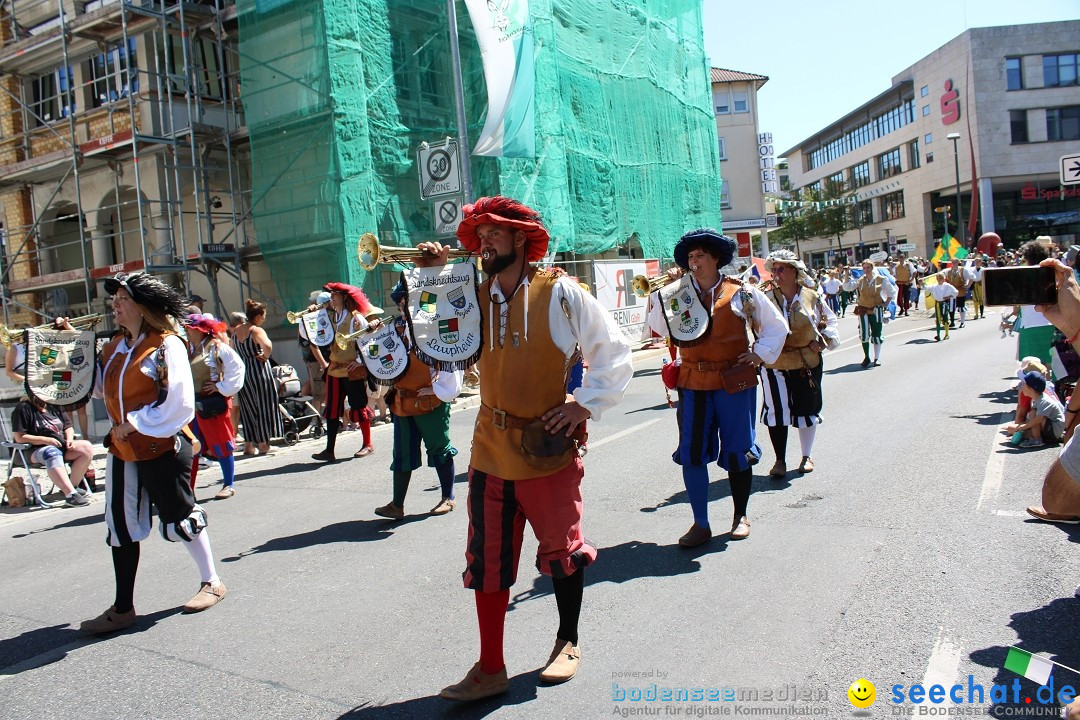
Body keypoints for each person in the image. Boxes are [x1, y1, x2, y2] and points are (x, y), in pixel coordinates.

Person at [418, 196, 632, 701]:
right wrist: (431, 281)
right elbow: (435, 343)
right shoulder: (470, 293)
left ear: (520, 239)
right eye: (479, 233)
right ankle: (490, 667)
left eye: (493, 232)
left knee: (562, 553)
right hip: (489, 450)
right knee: (487, 560)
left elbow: (614, 349)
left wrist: (583, 405)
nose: (483, 240)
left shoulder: (559, 292)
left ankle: (567, 640)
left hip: (546, 447)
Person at [80, 272, 226, 635]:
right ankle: (123, 607)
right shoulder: (114, 346)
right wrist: (71, 355)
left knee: (180, 515)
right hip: (122, 448)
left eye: (123, 299)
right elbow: (98, 390)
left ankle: (212, 580)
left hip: (161, 442)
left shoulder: (166, 345)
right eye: (114, 299)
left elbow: (177, 404)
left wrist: (133, 422)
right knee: (120, 526)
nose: (115, 304)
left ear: (144, 307)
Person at [647, 230, 788, 548]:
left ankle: (740, 516)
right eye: (690, 258)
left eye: (700, 257)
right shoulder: (676, 293)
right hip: (692, 383)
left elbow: (777, 327)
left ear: (716, 260)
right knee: (692, 454)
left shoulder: (742, 292)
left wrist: (758, 353)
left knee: (739, 450)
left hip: (734, 380)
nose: (694, 263)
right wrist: (667, 291)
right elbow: (657, 326)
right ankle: (700, 523)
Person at [373, 281, 462, 519]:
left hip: (430, 402)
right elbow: (378, 356)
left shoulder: (435, 327)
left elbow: (451, 359)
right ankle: (397, 505)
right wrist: (373, 332)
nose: (402, 307)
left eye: (406, 301)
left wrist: (438, 390)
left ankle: (448, 497)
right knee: (402, 455)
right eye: (401, 303)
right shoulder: (394, 329)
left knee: (439, 449)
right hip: (402, 403)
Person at [757, 251, 839, 478]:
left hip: (806, 362)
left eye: (781, 269)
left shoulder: (812, 297)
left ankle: (806, 456)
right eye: (774, 269)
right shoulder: (765, 298)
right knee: (777, 410)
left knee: (807, 408)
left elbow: (829, 321)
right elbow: (753, 325)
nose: (776, 273)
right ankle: (780, 461)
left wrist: (822, 342)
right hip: (775, 362)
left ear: (795, 272)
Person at [311, 283, 376, 462]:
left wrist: (359, 361)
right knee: (332, 409)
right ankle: (329, 450)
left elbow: (370, 342)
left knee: (359, 406)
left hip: (351, 369)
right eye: (331, 294)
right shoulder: (330, 317)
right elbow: (311, 332)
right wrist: (309, 315)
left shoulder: (357, 319)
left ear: (344, 297)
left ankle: (367, 444)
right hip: (334, 369)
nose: (331, 297)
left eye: (335, 294)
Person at [185, 314, 245, 499]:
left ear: (199, 330)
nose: (186, 331)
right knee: (191, 447)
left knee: (221, 444)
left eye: (189, 328)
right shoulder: (186, 348)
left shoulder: (217, 348)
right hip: (191, 406)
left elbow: (237, 368)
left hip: (212, 405)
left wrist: (219, 387)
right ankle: (189, 490)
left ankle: (229, 484)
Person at [10, 395, 94, 506]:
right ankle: (70, 495)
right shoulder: (23, 408)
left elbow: (68, 427)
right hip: (31, 450)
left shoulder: (54, 405)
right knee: (51, 452)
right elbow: (19, 437)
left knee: (86, 447)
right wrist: (46, 440)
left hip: (60, 446)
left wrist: (69, 439)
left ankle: (73, 486)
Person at [232, 300, 282, 455]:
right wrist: (265, 356)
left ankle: (249, 445)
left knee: (248, 408)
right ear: (259, 316)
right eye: (264, 314)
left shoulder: (236, 331)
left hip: (244, 373)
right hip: (258, 371)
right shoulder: (256, 330)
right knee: (264, 407)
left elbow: (233, 350)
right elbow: (267, 346)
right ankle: (263, 444)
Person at [1005, 370, 1065, 448]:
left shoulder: (1044, 401)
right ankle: (1038, 437)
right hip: (1044, 428)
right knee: (1011, 429)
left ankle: (1036, 439)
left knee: (1033, 414)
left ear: (1031, 389)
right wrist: (1021, 427)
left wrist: (1023, 427)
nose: (1022, 386)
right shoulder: (1035, 399)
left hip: (1054, 428)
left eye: (1024, 384)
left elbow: (1038, 420)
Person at [298, 291, 331, 415]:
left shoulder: (325, 316)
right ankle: (317, 420)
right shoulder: (310, 318)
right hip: (317, 360)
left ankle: (325, 418)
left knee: (326, 391)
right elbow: (311, 341)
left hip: (323, 358)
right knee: (318, 392)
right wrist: (323, 363)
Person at [854, 260, 887, 367]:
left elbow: (891, 292)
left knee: (876, 333)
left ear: (872, 268)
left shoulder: (881, 279)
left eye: (868, 267)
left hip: (876, 309)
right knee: (864, 333)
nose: (866, 270)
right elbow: (847, 287)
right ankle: (866, 357)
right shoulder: (860, 280)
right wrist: (845, 274)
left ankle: (876, 358)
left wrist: (886, 304)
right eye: (864, 268)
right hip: (863, 310)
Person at [926, 273, 958, 342]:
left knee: (945, 318)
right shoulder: (934, 286)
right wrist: (921, 284)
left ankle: (946, 334)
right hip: (937, 303)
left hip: (944, 303)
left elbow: (955, 292)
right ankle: (938, 335)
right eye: (937, 278)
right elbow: (926, 288)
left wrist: (948, 296)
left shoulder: (947, 285)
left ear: (943, 279)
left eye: (940, 278)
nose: (939, 280)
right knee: (938, 319)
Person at [945, 258, 973, 328]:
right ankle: (952, 322)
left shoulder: (963, 270)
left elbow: (972, 277)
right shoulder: (948, 271)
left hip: (961, 290)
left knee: (961, 307)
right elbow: (940, 275)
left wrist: (968, 285)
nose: (954, 263)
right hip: (952, 291)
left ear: (958, 263)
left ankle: (962, 322)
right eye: (953, 262)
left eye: (955, 262)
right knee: (951, 307)